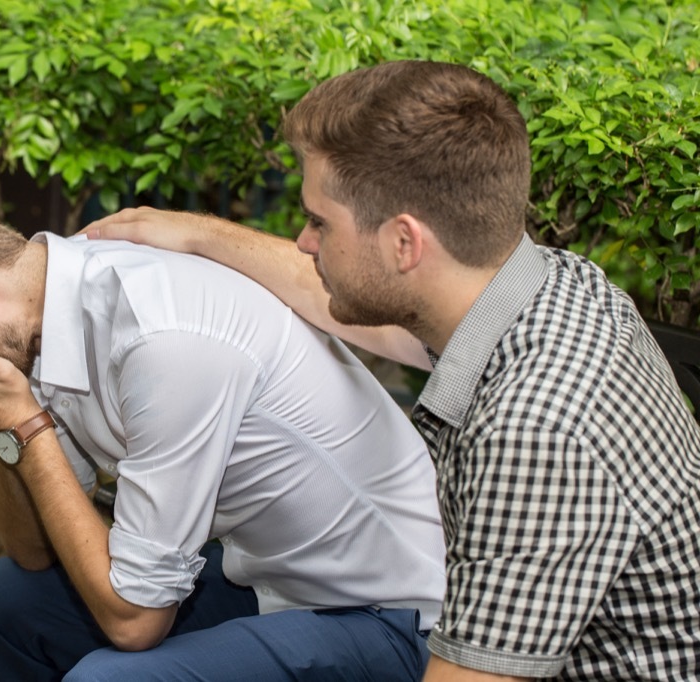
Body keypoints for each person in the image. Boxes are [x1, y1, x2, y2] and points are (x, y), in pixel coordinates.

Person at [83, 60, 700, 681]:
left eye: (319, 222)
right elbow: (332, 288)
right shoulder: (548, 286)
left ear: (405, 244)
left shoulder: (537, 432)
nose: (303, 241)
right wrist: (193, 233)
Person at [0, 166, 447, 681]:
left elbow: (136, 622)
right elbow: (31, 551)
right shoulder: (41, 312)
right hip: (272, 581)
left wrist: (23, 425)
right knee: (1, 602)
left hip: (392, 618)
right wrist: (0, 426)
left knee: (111, 678)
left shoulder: (160, 336)